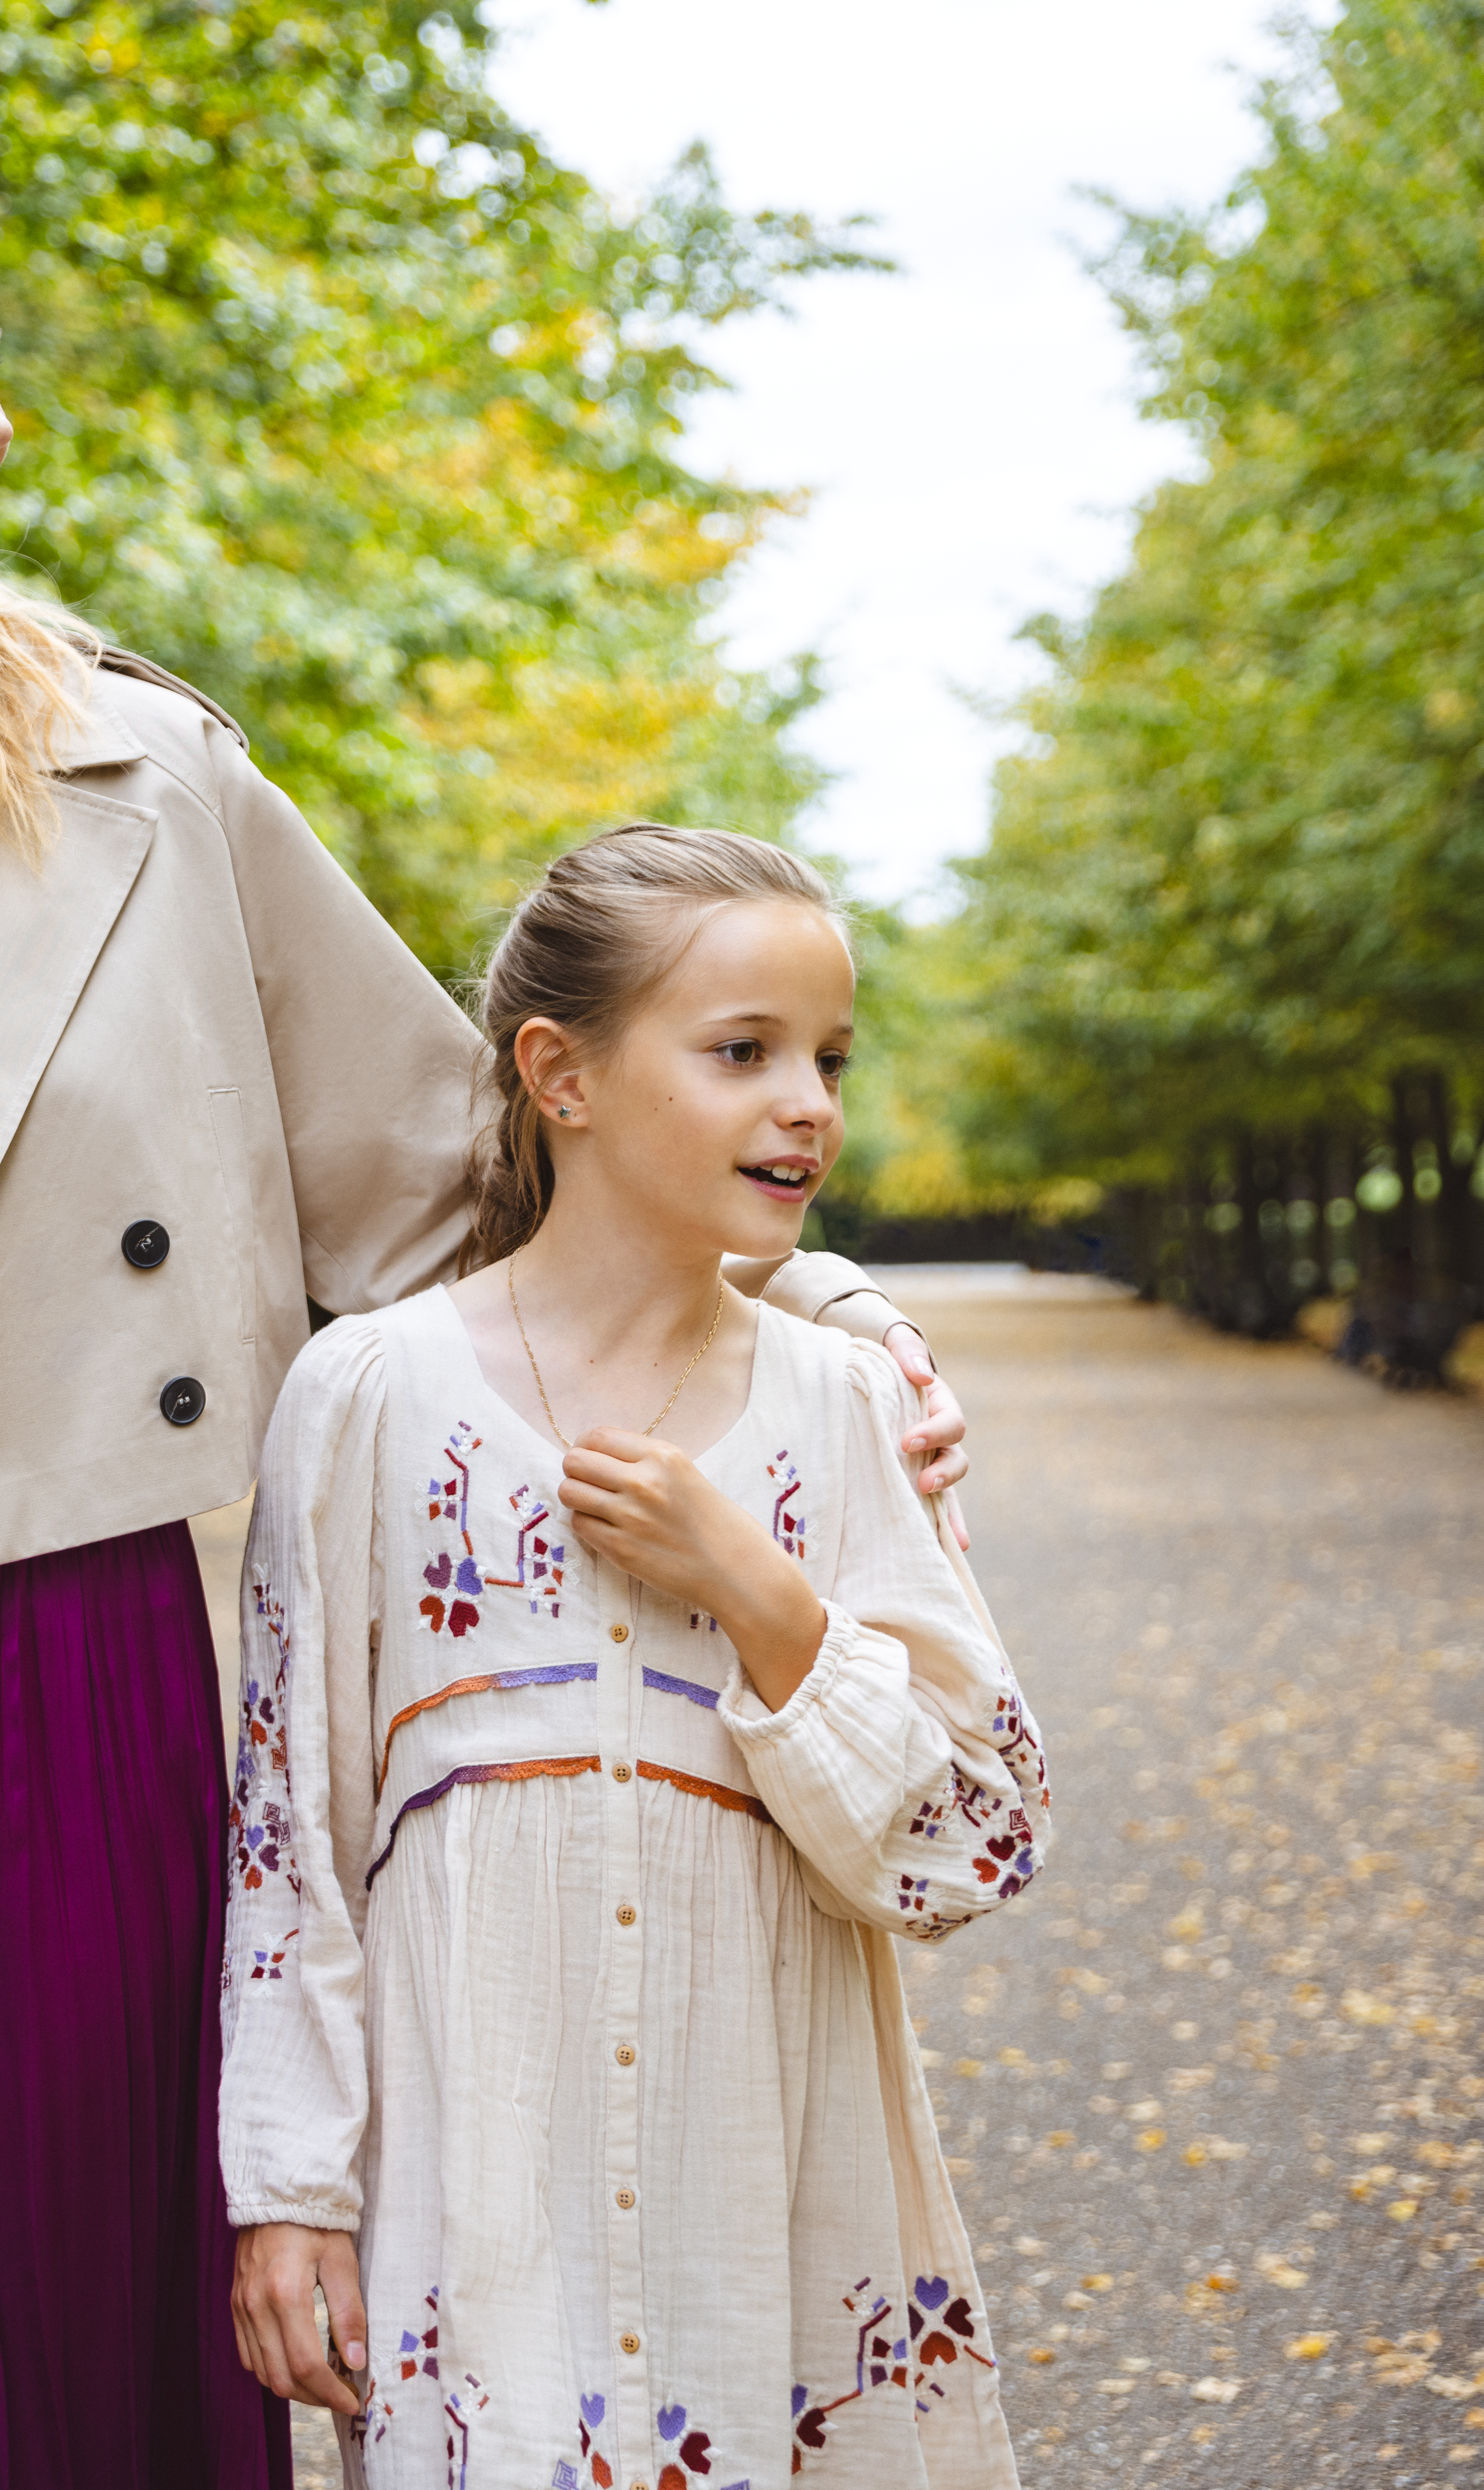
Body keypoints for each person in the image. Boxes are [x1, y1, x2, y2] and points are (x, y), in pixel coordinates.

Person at [0, 135, 965, 2489]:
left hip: (109, 1653)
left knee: (111, 2390)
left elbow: (459, 1178)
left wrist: (806, 1311)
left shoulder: (145, 777)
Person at [219, 825, 1043, 2487]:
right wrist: (292, 2190)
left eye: (828, 1056)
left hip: (777, 2192)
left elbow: (981, 1841)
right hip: (484, 2208)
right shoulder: (372, 1397)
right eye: (742, 1052)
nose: (807, 1100)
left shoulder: (848, 1410)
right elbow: (286, 1837)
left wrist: (764, 1596)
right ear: (560, 1074)